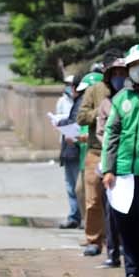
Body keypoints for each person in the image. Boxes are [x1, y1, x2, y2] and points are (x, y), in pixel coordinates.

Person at [102, 44, 139, 277]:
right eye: (134, 65)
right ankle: (134, 271)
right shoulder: (121, 99)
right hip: (123, 172)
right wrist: (108, 169)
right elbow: (111, 135)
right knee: (126, 223)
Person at [77, 60, 120, 260]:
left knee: (120, 203)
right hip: (96, 151)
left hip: (121, 152)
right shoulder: (94, 91)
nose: (119, 77)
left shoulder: (130, 93)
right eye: (115, 72)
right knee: (93, 200)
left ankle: (118, 244)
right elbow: (81, 116)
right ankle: (94, 240)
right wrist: (101, 112)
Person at [55, 74, 82, 230]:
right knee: (70, 185)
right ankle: (74, 215)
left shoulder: (80, 102)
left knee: (78, 186)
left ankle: (79, 216)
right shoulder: (63, 101)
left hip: (76, 146)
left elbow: (74, 123)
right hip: (67, 146)